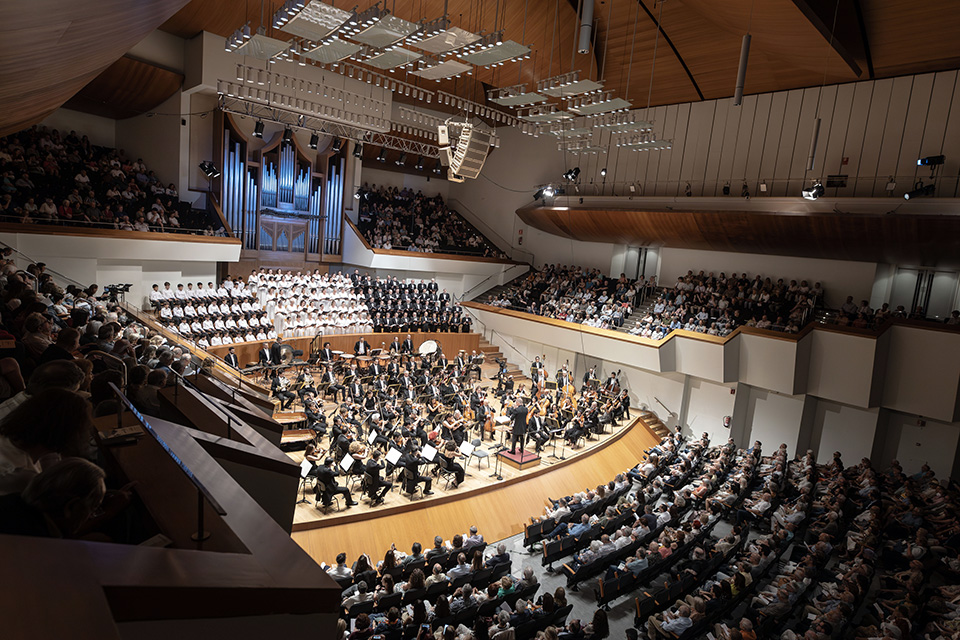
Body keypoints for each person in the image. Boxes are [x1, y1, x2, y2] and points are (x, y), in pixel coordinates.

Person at [0, 457, 106, 538]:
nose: (91, 516)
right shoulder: (39, 545)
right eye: (94, 509)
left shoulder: (10, 501)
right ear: (70, 507)